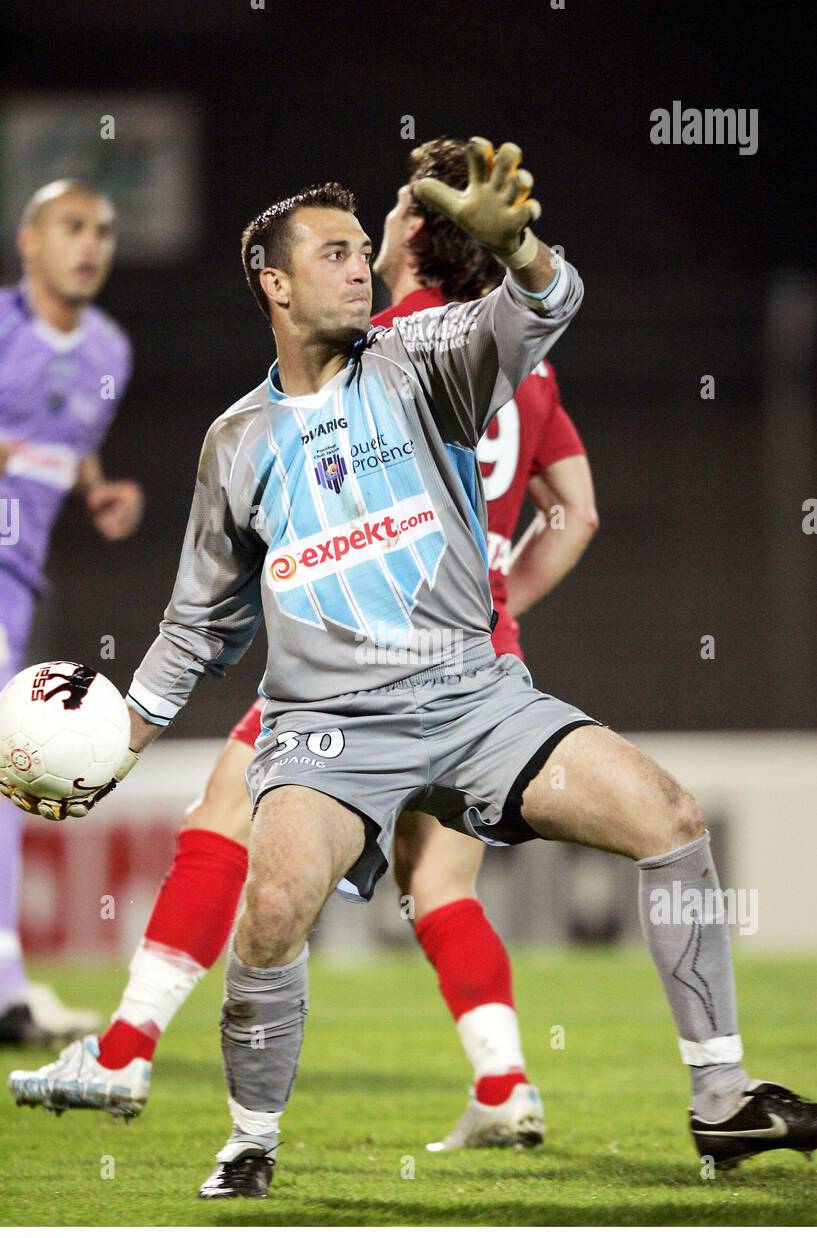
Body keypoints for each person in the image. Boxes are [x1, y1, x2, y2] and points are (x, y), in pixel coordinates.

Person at [11, 139, 817, 1200]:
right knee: (275, 904)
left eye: (363, 247)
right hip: (331, 725)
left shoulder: (426, 353)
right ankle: (250, 1140)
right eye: (333, 252)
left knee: (667, 815)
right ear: (275, 281)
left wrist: (517, 245)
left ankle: (720, 1101)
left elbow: (548, 306)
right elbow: (198, 623)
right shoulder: (235, 443)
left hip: (476, 695)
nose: (357, 266)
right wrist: (115, 747)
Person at [8, 139, 597, 1151]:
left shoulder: (390, 350)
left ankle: (124, 1054)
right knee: (439, 884)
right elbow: (576, 512)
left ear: (413, 233)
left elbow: (260, 557)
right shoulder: (516, 365)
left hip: (359, 647)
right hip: (476, 646)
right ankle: (504, 1080)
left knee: (224, 820)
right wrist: (503, 607)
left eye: (375, 230)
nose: (358, 253)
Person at [0, 180, 143, 1044]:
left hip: (18, 585)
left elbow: (72, 446)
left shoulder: (108, 352)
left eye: (103, 230)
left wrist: (100, 494)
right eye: (72, 227)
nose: (90, 243)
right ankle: (9, 986)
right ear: (29, 241)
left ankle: (8, 981)